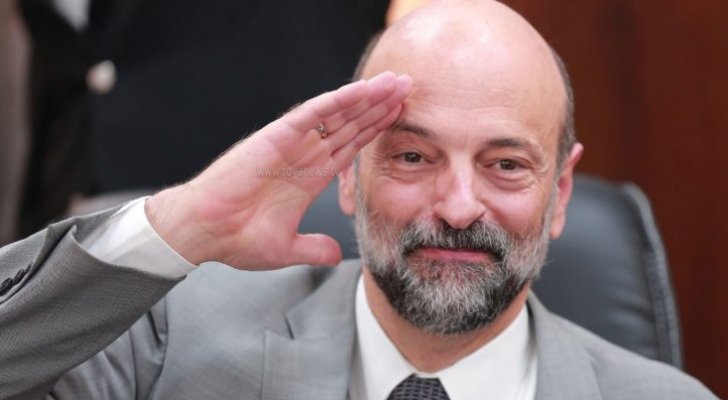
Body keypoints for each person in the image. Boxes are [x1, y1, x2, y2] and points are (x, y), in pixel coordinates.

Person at [0, 1, 717, 399]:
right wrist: (179, 225)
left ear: (559, 193)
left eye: (505, 165)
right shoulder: (168, 341)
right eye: (413, 157)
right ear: (347, 173)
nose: (458, 206)